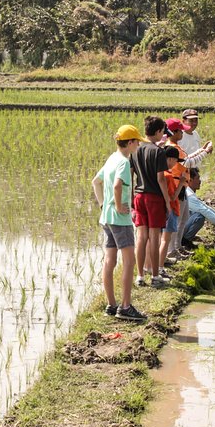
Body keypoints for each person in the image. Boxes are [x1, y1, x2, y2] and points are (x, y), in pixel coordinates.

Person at [91, 125, 147, 321]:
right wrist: (118, 205)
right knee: (129, 261)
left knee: (110, 260)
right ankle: (125, 307)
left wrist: (103, 205)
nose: (139, 144)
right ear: (130, 142)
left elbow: (95, 182)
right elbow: (116, 185)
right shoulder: (123, 162)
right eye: (137, 141)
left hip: (106, 218)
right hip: (120, 220)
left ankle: (111, 304)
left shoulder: (111, 159)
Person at [130, 116, 173, 287]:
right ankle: (155, 276)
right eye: (162, 131)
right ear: (157, 132)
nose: (163, 134)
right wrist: (168, 202)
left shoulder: (136, 151)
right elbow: (161, 179)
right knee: (154, 236)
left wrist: (131, 196)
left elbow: (131, 174)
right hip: (154, 197)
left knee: (141, 236)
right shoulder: (158, 152)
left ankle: (140, 276)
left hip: (139, 196)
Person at [164, 118, 213, 258]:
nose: (183, 133)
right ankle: (171, 251)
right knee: (176, 221)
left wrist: (201, 150)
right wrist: (206, 152)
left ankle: (177, 247)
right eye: (181, 131)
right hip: (176, 186)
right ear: (173, 132)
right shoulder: (171, 147)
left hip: (182, 186)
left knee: (183, 218)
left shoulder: (176, 146)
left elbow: (186, 160)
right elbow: (189, 164)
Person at [181, 168, 215, 248]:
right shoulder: (189, 195)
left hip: (179, 226)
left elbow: (206, 207)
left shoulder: (189, 192)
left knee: (198, 214)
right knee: (199, 216)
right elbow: (205, 211)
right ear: (190, 180)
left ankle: (184, 237)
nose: (200, 181)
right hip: (176, 229)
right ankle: (185, 241)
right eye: (198, 178)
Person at [158, 146, 186, 278]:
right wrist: (181, 182)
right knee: (165, 240)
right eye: (176, 161)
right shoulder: (168, 176)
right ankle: (160, 267)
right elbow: (173, 197)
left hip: (161, 210)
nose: (176, 164)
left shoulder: (160, 173)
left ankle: (157, 265)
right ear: (170, 159)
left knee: (159, 239)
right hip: (171, 209)